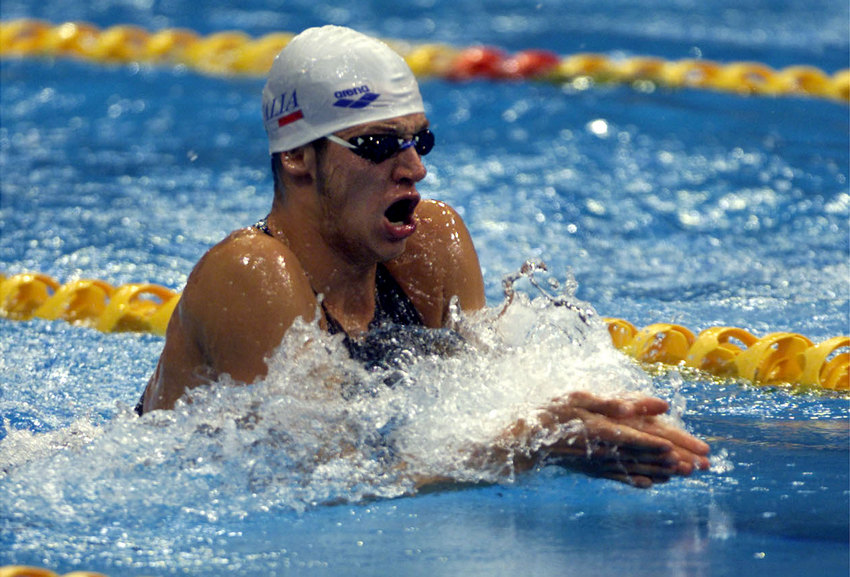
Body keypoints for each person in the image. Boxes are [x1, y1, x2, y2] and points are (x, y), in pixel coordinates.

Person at [139, 25, 710, 488]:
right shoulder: (249, 273)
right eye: (378, 146)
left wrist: (593, 420)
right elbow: (326, 483)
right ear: (297, 158)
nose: (415, 168)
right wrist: (529, 444)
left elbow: (485, 396)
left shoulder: (430, 242)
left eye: (419, 141)